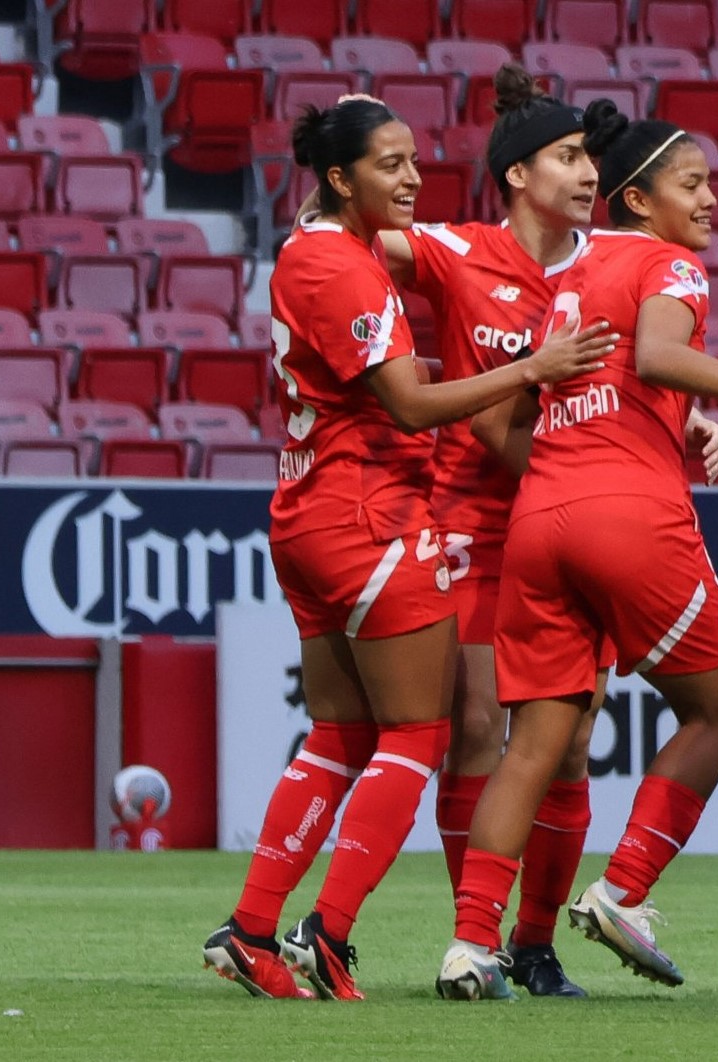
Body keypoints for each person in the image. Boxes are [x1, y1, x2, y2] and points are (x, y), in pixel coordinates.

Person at [201, 96, 609, 1002]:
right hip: (370, 515)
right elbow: (407, 408)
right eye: (389, 163)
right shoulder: (343, 268)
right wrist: (529, 371)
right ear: (342, 179)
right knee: (418, 734)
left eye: (415, 159)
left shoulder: (319, 252)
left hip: (310, 505)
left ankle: (252, 927)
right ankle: (329, 932)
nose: (413, 177)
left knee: (339, 734)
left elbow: (375, 384)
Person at [435, 100, 718, 1001]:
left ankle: (471, 947)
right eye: (690, 183)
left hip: (538, 521)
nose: (710, 200)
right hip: (629, 518)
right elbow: (655, 357)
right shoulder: (668, 263)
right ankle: (623, 892)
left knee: (532, 743)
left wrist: (628, 443)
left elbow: (516, 414)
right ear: (638, 197)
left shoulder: (565, 285)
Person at [371, 67, 718, 998]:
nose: (584, 172)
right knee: (482, 726)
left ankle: (531, 946)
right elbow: (350, 246)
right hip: (473, 515)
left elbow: (626, 382)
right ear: (518, 173)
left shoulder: (598, 267)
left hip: (552, 513)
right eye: (567, 157)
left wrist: (680, 422)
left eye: (586, 157)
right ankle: (475, 936)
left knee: (566, 741)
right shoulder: (460, 250)